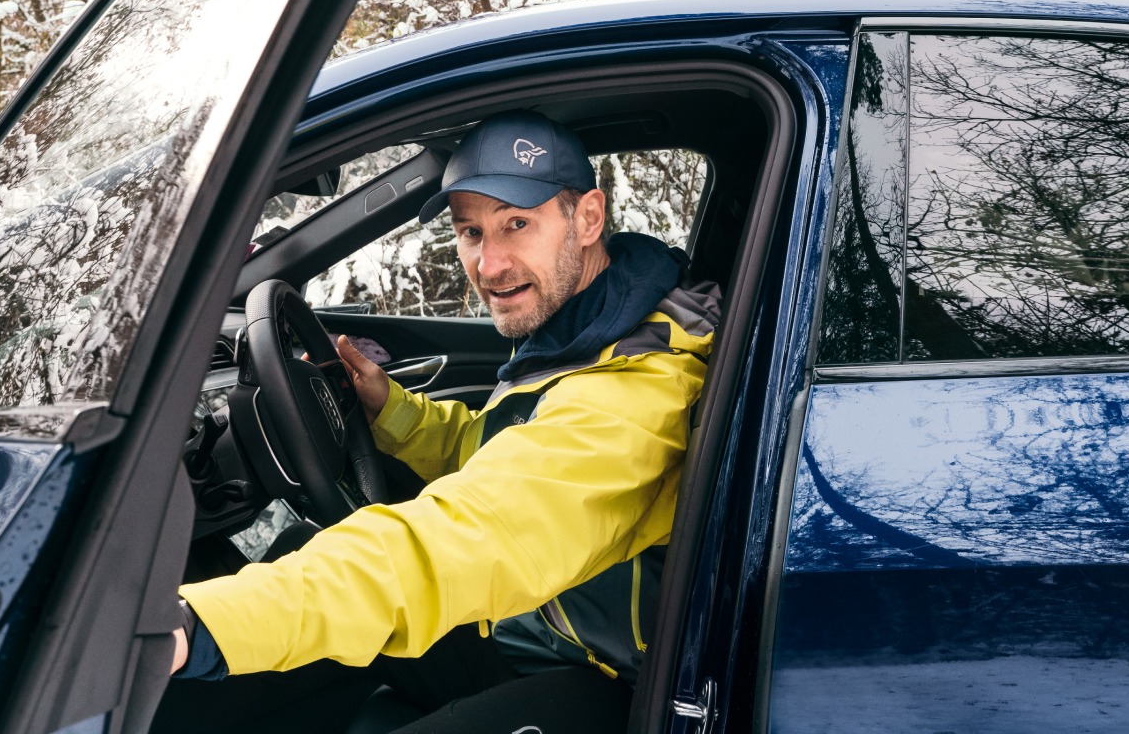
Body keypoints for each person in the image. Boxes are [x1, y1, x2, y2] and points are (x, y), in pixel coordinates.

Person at [169, 110, 722, 734]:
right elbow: (502, 454)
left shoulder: (635, 390)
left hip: (609, 678)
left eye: (518, 224)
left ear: (588, 217)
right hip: (539, 620)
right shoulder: (584, 327)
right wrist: (391, 410)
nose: (490, 265)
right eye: (471, 233)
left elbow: (465, 538)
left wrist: (204, 624)